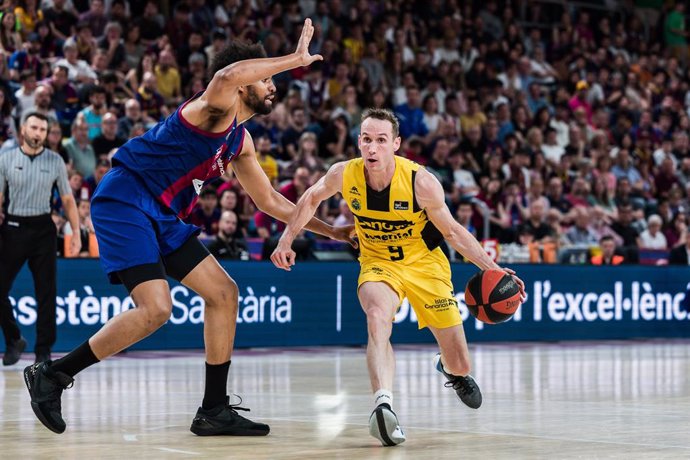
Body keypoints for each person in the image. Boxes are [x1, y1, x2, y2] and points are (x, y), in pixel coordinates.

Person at [23, 19, 353, 436]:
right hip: (126, 197)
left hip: (161, 215)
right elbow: (227, 74)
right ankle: (53, 375)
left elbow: (270, 202)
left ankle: (213, 409)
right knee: (157, 309)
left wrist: (333, 232)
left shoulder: (240, 140)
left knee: (224, 293)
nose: (272, 85)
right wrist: (295, 59)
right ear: (245, 81)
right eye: (265, 77)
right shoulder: (213, 105)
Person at [271, 108, 525, 446]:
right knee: (377, 317)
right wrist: (286, 239)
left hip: (425, 265)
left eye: (380, 140)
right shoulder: (344, 173)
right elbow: (310, 197)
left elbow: (452, 232)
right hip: (378, 262)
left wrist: (491, 269)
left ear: (396, 144)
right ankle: (383, 405)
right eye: (366, 140)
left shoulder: (421, 181)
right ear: (359, 142)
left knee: (461, 363)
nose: (372, 148)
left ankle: (450, 369)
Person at [0, 113, 80, 366]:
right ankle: (14, 339)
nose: (37, 133)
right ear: (23, 129)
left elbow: (67, 199)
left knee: (46, 293)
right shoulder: (6, 159)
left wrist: (77, 232)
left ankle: (43, 351)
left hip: (43, 229)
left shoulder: (55, 160)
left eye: (42, 130)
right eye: (34, 127)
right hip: (13, 227)